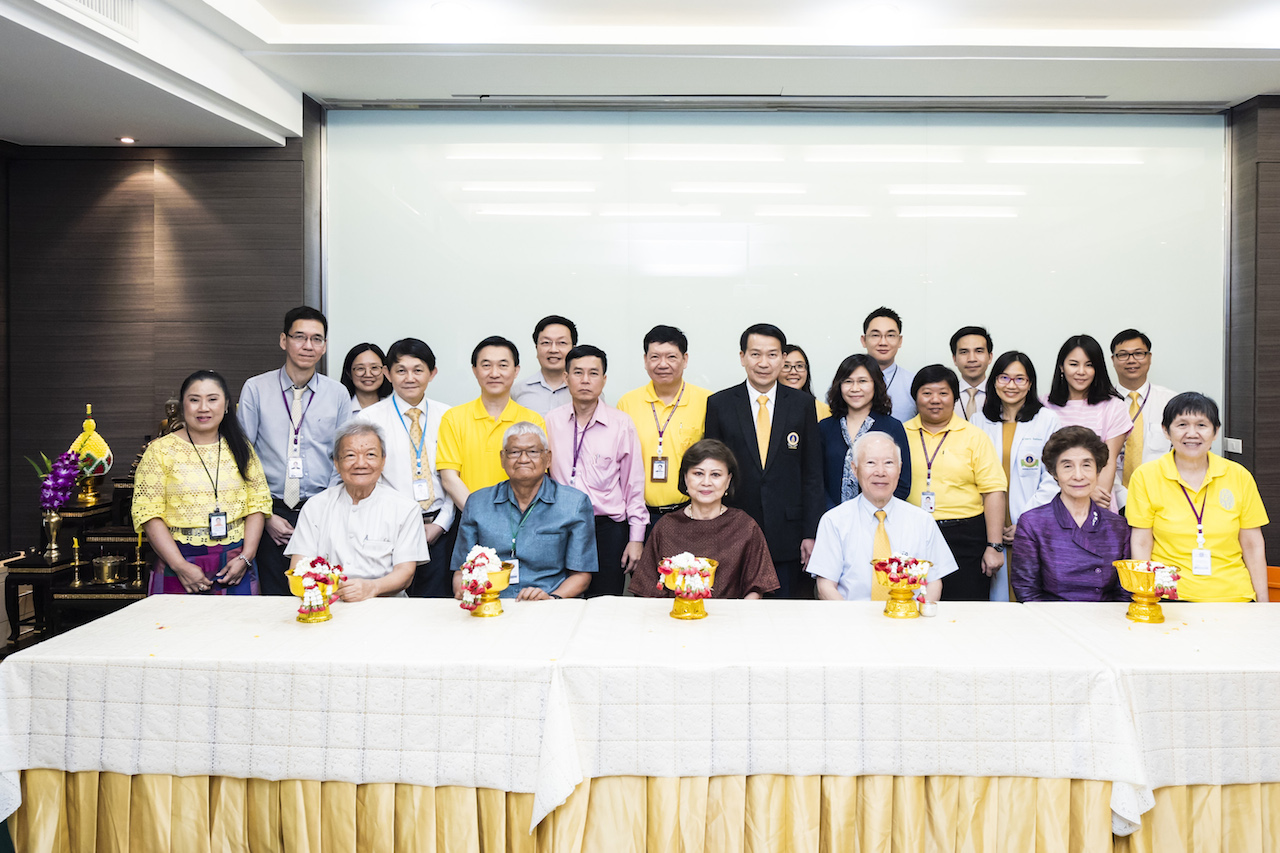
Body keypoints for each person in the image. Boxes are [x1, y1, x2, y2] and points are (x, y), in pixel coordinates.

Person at [704, 323, 824, 599]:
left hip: (789, 534)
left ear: (783, 358)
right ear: (742, 357)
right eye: (755, 354)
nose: (763, 363)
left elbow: (812, 473)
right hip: (733, 532)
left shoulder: (802, 405)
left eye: (772, 355)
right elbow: (712, 472)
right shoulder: (720, 404)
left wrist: (811, 532)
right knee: (736, 614)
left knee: (786, 614)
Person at [238, 306, 352, 595]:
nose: (308, 345)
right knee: (274, 598)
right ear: (283, 340)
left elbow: (344, 457)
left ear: (324, 346)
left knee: (320, 594)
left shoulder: (337, 394)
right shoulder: (255, 389)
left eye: (316, 339)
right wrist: (265, 515)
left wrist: (323, 510)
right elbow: (243, 456)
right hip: (270, 511)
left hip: (322, 509)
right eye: (299, 337)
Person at [134, 370, 271, 595]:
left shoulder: (241, 447)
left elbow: (257, 504)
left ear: (226, 405)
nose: (203, 408)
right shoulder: (160, 451)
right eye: (194, 400)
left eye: (212, 399)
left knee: (239, 619)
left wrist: (246, 556)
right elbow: (148, 514)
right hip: (179, 559)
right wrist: (180, 566)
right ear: (183, 406)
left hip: (235, 562)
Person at [1128, 393, 1269, 602]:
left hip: (1234, 595)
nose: (1192, 433)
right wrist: (1145, 598)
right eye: (1182, 425)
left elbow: (1252, 544)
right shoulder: (1145, 476)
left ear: (1216, 431)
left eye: (1201, 425)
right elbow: (1141, 542)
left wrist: (1263, 603)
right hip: (1170, 595)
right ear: (1166, 431)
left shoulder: (1239, 476)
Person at [352, 338, 456, 598]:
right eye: (401, 370)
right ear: (387, 373)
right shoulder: (369, 419)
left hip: (440, 530)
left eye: (418, 370)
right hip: (389, 530)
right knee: (391, 606)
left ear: (432, 373)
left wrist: (442, 524)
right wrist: (402, 525)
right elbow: (367, 477)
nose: (410, 378)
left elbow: (456, 475)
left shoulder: (450, 416)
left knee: (437, 608)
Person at [545, 344, 648, 597]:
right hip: (561, 526)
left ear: (604, 379)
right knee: (559, 600)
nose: (585, 380)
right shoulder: (550, 421)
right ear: (566, 378)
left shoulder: (621, 423)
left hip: (606, 529)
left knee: (605, 603)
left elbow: (633, 484)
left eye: (593, 373)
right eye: (578, 372)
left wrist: (636, 538)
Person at [451, 422, 597, 600]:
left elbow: (581, 575)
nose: (523, 459)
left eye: (533, 451)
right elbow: (461, 570)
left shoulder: (574, 504)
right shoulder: (477, 503)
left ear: (548, 458)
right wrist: (464, 591)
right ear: (502, 458)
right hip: (491, 600)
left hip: (548, 602)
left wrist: (552, 598)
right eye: (514, 452)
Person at [285, 422, 429, 600]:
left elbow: (405, 573)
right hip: (328, 603)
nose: (361, 463)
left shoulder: (406, 508)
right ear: (337, 463)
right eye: (350, 455)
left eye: (370, 455)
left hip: (385, 605)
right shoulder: (315, 506)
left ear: (383, 461)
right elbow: (299, 567)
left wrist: (372, 587)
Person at [809, 432, 958, 602]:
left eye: (888, 463)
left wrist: (918, 616)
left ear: (899, 469)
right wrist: (850, 618)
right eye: (871, 463)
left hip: (910, 615)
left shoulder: (922, 521)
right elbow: (825, 586)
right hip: (851, 615)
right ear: (855, 469)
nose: (880, 472)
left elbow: (934, 582)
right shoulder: (834, 521)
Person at [903, 365, 1007, 600]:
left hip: (965, 535)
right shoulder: (900, 434)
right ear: (915, 397)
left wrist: (994, 546)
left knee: (965, 608)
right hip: (913, 533)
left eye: (943, 393)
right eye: (927, 393)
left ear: (954, 397)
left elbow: (993, 491)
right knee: (913, 604)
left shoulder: (975, 436)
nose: (935, 400)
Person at [630, 439, 779, 599]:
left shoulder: (745, 526)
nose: (706, 482)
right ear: (685, 477)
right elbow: (646, 588)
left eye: (715, 475)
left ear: (728, 480)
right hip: (673, 613)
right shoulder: (666, 526)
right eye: (698, 474)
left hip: (730, 614)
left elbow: (756, 588)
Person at [970, 351, 1061, 601]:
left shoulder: (1047, 420)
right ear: (994, 381)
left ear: (1030, 384)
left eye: (1020, 379)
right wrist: (994, 528)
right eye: (1004, 378)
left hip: (1031, 519)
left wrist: (1025, 521)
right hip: (988, 523)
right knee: (993, 598)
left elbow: (1053, 476)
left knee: (1029, 594)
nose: (1011, 385)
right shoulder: (978, 421)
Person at [1010, 426, 1130, 602]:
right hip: (1050, 616)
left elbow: (1125, 592)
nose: (1078, 476)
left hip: (1104, 616)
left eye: (1086, 465)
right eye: (1067, 466)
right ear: (1054, 472)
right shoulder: (1033, 523)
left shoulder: (1117, 526)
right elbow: (1026, 592)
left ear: (1098, 470)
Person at [615, 325, 711, 531]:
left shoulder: (707, 401)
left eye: (671, 357)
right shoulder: (627, 403)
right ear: (645, 360)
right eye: (655, 357)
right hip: (639, 516)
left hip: (691, 513)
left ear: (685, 359)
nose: (663, 364)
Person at [436, 336, 546, 511]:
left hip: (521, 515)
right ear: (475, 370)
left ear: (516, 370)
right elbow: (450, 478)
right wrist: (480, 516)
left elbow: (536, 477)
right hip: (470, 514)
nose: (494, 373)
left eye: (503, 365)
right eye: (486, 365)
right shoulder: (453, 418)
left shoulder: (532, 420)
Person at [1042, 334, 1130, 512]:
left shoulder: (1114, 407)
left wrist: (1090, 495)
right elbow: (1043, 463)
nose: (1081, 371)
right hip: (1051, 503)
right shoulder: (1044, 405)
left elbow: (1109, 461)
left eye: (1089, 365)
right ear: (1061, 367)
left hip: (1097, 503)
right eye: (1074, 364)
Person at [818, 353, 911, 507]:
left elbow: (903, 483)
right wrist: (835, 514)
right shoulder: (825, 427)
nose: (855, 388)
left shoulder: (892, 427)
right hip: (832, 515)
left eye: (862, 381)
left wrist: (874, 512)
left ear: (876, 384)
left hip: (880, 515)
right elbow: (815, 479)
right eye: (848, 381)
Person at [1110, 329, 1176, 512]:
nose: (1131, 360)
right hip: (1111, 501)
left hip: (1162, 500)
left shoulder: (1170, 402)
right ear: (1113, 360)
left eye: (1138, 353)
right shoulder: (1101, 404)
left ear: (1149, 357)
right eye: (1123, 355)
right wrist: (1123, 500)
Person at [512, 315, 577, 415]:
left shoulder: (586, 391)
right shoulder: (517, 391)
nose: (553, 350)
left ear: (573, 349)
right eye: (546, 342)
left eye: (562, 342)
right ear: (536, 348)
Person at [861, 306, 916, 421]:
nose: (883, 342)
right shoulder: (846, 382)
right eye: (875, 335)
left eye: (890, 335)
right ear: (864, 340)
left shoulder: (913, 383)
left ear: (900, 341)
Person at [950, 326, 994, 421]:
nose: (972, 359)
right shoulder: (946, 395)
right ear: (954, 359)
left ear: (990, 357)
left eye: (979, 351)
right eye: (964, 352)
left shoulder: (1001, 394)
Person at [781, 344, 831, 421]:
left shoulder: (824, 410)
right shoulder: (767, 407)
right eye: (786, 366)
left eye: (799, 366)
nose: (793, 372)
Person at [340, 342, 391, 413]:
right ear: (349, 373)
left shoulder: (395, 407)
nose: (368, 374)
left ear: (385, 371)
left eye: (374, 367)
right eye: (360, 368)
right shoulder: (339, 408)